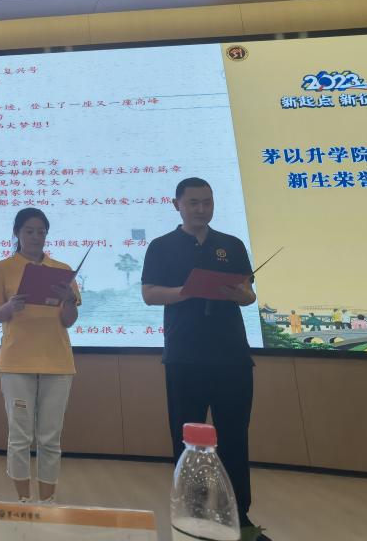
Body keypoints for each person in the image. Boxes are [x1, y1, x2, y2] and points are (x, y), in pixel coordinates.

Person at [141, 178, 270, 539]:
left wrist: (239, 293)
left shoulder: (231, 244)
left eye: (208, 202)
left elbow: (249, 297)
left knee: (234, 437)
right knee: (187, 442)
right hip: (184, 357)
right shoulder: (161, 246)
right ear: (177, 205)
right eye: (194, 203)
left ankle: (240, 518)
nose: (201, 209)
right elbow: (149, 294)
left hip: (232, 356)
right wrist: (187, 291)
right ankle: (193, 518)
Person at [0, 208, 80, 504]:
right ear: (17, 233)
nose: (36, 237)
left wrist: (68, 300)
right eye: (29, 231)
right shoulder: (2, 268)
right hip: (16, 362)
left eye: (41, 231)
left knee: (50, 438)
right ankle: (24, 502)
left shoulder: (61, 269)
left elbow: (69, 320)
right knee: (20, 437)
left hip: (57, 362)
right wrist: (10, 307)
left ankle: (47, 502)